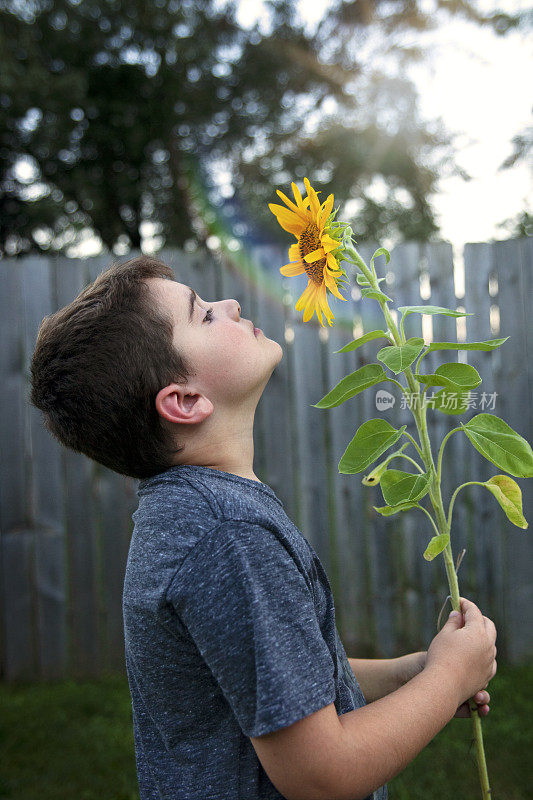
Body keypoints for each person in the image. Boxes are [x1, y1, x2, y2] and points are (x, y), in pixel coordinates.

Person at [30, 255, 497, 800]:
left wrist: (412, 673)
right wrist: (448, 682)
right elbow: (323, 775)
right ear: (185, 401)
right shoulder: (228, 535)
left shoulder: (187, 512)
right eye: (203, 315)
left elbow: (268, 680)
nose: (229, 304)